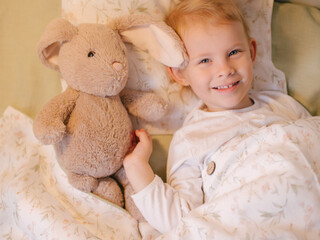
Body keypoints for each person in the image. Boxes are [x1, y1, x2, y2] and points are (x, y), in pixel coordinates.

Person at [123, 0, 313, 235]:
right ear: (180, 73)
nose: (224, 69)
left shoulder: (282, 105)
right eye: (205, 60)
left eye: (234, 52)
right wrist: (137, 168)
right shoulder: (191, 138)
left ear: (252, 52)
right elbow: (181, 220)